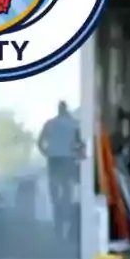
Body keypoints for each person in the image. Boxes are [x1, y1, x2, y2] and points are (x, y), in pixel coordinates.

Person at [36, 101, 85, 240]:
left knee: (55, 195)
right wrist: (78, 154)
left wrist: (47, 152)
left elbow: (40, 143)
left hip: (54, 160)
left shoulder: (50, 124)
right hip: (68, 160)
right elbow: (81, 143)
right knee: (67, 195)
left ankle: (58, 227)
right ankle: (66, 225)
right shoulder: (75, 123)